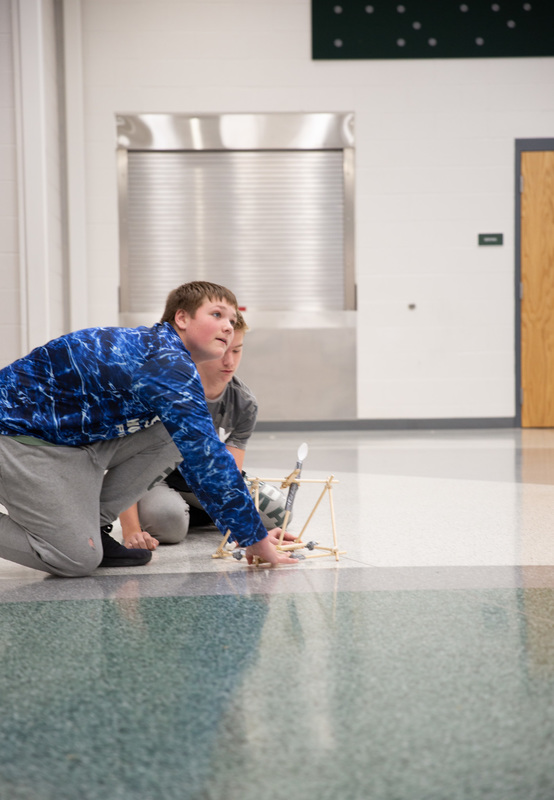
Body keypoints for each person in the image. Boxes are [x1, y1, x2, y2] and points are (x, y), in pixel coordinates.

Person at [0, 281, 297, 577]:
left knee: (171, 434)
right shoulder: (165, 362)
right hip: (17, 437)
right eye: (217, 315)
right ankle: (81, 541)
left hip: (71, 440)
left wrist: (246, 530)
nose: (229, 326)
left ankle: (94, 525)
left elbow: (197, 451)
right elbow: (206, 458)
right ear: (181, 319)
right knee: (75, 558)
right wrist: (252, 538)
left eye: (232, 320)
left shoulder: (167, 357)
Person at [119, 311, 286, 549]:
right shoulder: (161, 388)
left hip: (203, 481)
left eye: (236, 350)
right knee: (168, 525)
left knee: (279, 513)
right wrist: (131, 529)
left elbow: (230, 473)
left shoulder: (244, 402)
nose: (229, 362)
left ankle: (196, 511)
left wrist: (244, 530)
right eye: (222, 350)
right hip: (155, 478)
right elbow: (125, 465)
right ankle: (177, 510)